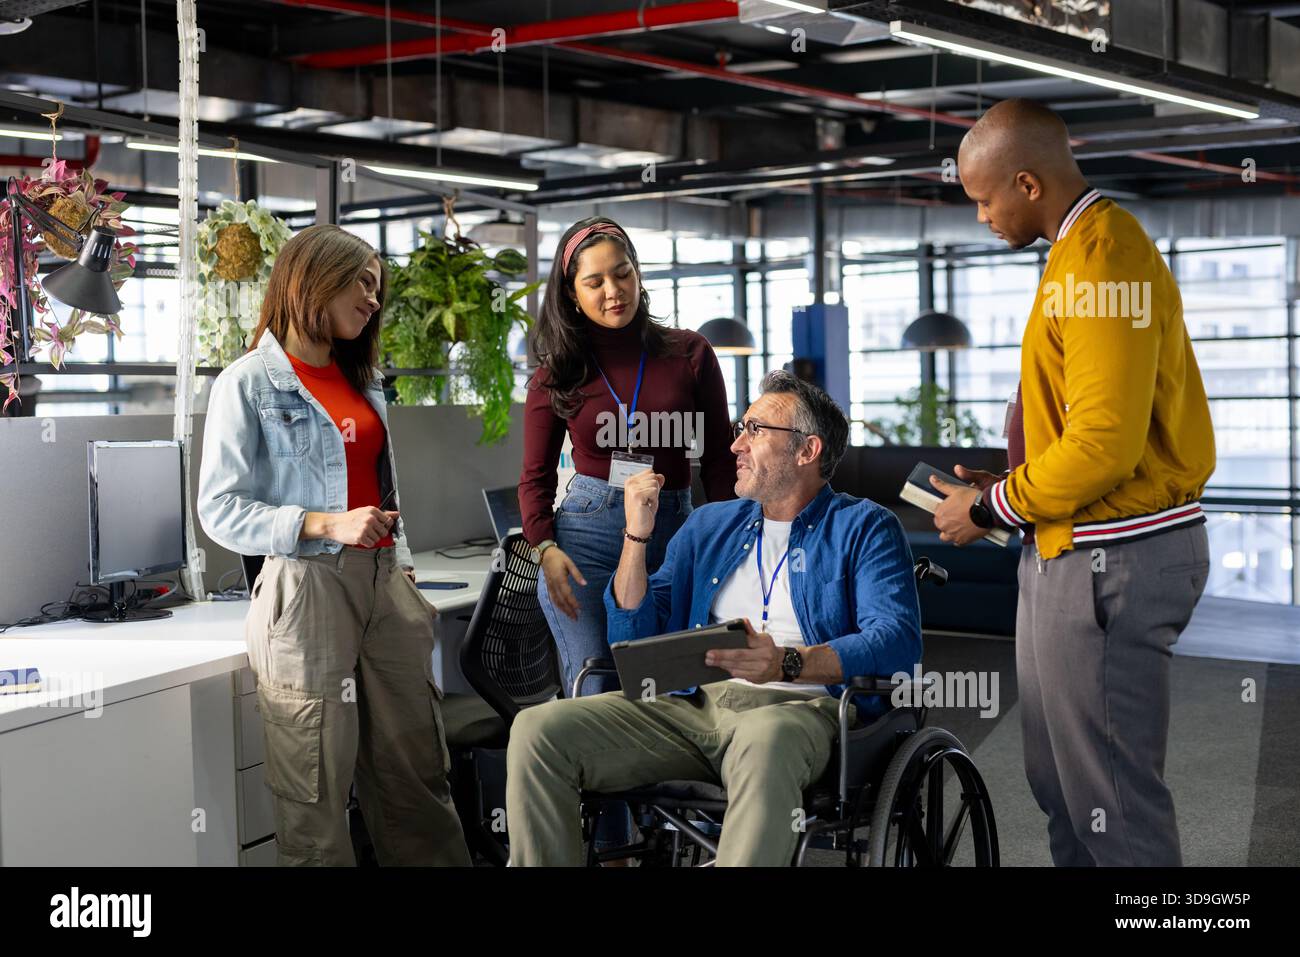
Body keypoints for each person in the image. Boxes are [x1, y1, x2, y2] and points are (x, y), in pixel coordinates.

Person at [931, 99, 1215, 867]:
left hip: (1112, 558)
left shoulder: (1101, 255)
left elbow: (1103, 446)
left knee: (1111, 800)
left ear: (1027, 182)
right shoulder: (1072, 252)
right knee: (1062, 785)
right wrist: (1018, 483)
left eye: (985, 198)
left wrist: (990, 504)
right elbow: (1085, 424)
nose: (982, 215)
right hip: (1068, 545)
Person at [506, 371, 921, 866]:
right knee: (538, 729)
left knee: (765, 739)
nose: (735, 444)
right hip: (691, 704)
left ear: (807, 451)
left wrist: (788, 663)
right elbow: (631, 635)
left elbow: (896, 640)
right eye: (740, 428)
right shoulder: (709, 523)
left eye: (754, 430)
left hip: (799, 710)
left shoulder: (866, 526)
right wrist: (636, 536)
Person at [198, 224, 470, 867]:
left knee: (417, 779)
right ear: (316, 278)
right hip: (307, 591)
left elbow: (384, 491)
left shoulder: (364, 382)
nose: (375, 301)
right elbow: (218, 509)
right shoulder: (247, 383)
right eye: (365, 284)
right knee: (314, 794)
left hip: (385, 586)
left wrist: (402, 575)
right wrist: (323, 522)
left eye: (379, 290)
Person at [520, 215, 736, 697]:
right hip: (589, 542)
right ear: (572, 293)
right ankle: (598, 775)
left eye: (622, 273)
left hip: (678, 531)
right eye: (594, 282)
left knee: (678, 684)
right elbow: (534, 476)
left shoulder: (690, 353)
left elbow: (720, 458)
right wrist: (545, 549)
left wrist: (728, 531)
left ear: (638, 273)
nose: (613, 290)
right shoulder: (558, 371)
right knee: (599, 683)